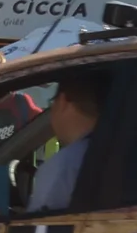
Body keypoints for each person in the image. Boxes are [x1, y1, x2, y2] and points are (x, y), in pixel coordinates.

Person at [27, 69, 106, 214]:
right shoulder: (119, 152)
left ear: (62, 102)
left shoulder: (63, 167)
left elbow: (37, 227)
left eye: (52, 103)